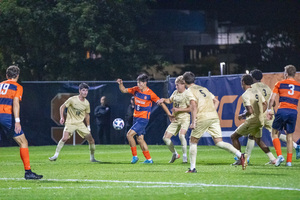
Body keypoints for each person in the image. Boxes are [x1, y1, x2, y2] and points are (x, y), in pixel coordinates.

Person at [182, 72, 244, 173]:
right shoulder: (203, 89)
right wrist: (212, 111)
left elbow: (193, 106)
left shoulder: (189, 91)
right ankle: (240, 154)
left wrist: (193, 122)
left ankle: (192, 168)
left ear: (184, 81)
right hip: (213, 117)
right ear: (194, 80)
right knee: (219, 142)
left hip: (202, 117)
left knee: (193, 141)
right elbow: (216, 101)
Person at [243, 69, 298, 164]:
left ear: (252, 78)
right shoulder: (266, 87)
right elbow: (273, 102)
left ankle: (246, 158)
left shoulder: (252, 88)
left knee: (251, 136)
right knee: (277, 134)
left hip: (259, 114)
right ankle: (296, 146)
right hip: (269, 115)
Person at [116, 73, 173, 164]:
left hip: (143, 119)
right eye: (138, 82)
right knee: (140, 139)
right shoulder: (136, 90)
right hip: (136, 118)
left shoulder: (150, 93)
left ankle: (135, 156)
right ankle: (149, 159)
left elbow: (161, 103)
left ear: (145, 83)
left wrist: (169, 114)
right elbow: (123, 90)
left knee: (129, 135)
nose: (139, 84)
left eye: (140, 83)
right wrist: (120, 84)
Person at [0, 65, 43, 179]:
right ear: (17, 76)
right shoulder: (17, 86)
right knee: (23, 142)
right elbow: (15, 104)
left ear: (6, 75)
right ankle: (28, 172)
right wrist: (17, 121)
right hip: (6, 117)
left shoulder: (0, 85)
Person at [231, 74, 277, 169]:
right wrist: (260, 113)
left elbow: (250, 111)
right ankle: (273, 159)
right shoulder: (257, 91)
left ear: (243, 83)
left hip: (252, 121)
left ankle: (240, 159)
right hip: (260, 120)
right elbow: (265, 104)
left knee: (234, 137)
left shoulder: (245, 94)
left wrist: (242, 115)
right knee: (258, 140)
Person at [49, 83, 99, 162]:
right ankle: (55, 156)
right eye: (83, 90)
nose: (85, 92)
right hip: (70, 123)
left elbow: (87, 115)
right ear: (79, 91)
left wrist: (88, 126)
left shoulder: (86, 103)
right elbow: (62, 107)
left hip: (80, 124)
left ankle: (92, 158)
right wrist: (62, 117)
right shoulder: (72, 99)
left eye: (86, 90)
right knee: (64, 138)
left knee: (91, 140)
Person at [267, 65, 300, 166]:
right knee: (289, 137)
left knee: (274, 133)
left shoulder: (280, 83)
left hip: (282, 110)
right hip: (293, 112)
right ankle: (289, 162)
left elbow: (272, 99)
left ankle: (280, 156)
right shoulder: (298, 86)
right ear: (294, 74)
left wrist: (269, 109)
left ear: (286, 73)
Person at [157, 76, 191, 163]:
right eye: (175, 85)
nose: (176, 87)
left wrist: (179, 109)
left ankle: (184, 157)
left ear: (183, 84)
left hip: (184, 118)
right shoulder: (175, 92)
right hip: (175, 118)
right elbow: (170, 100)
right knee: (165, 138)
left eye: (177, 85)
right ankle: (175, 154)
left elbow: (190, 109)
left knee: (181, 135)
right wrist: (163, 100)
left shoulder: (187, 94)